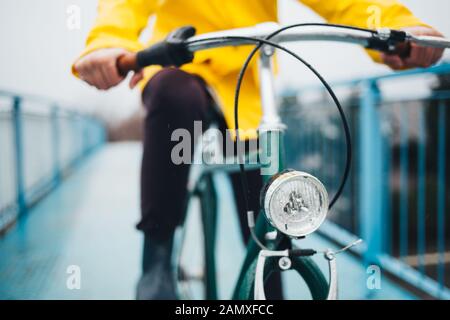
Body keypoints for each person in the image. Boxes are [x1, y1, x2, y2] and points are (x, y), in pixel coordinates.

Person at [73, 0, 444, 300]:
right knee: (172, 97)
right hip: (182, 62)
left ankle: (270, 276)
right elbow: (123, 6)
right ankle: (155, 259)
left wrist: (398, 27)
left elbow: (346, 4)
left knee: (262, 203)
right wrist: (107, 43)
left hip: (247, 80)